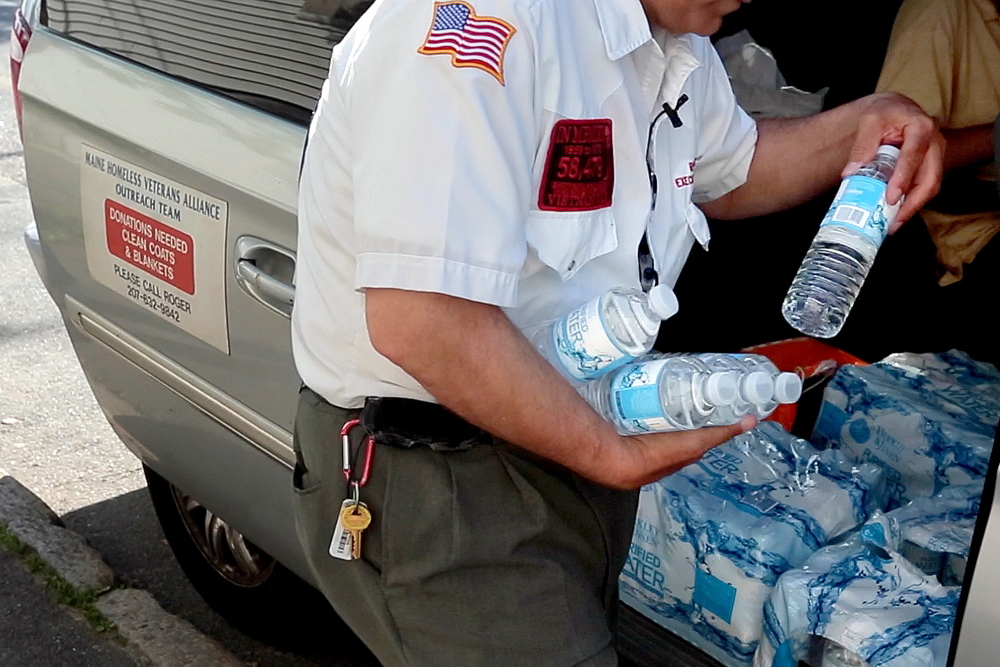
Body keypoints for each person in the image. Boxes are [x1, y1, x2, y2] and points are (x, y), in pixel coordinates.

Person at [289, 0, 944, 665]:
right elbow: (422, 321)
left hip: (569, 436)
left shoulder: (672, 37)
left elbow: (733, 165)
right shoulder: (474, 23)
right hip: (444, 473)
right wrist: (608, 453)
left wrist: (867, 122)